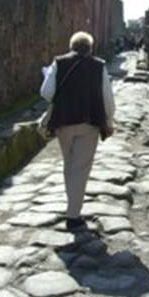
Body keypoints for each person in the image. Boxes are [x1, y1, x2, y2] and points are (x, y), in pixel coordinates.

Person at [40, 31, 116, 231]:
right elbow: (107, 98)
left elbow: (46, 93)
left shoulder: (59, 63)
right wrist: (108, 119)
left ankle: (72, 206)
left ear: (71, 46)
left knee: (69, 164)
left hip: (63, 122)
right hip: (89, 123)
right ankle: (73, 215)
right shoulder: (99, 66)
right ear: (90, 48)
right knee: (80, 168)